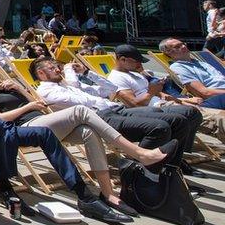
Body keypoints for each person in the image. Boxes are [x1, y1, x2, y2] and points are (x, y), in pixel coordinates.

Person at [0, 61, 171, 217]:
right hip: (25, 128)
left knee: (87, 131)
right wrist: (28, 107)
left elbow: (39, 103)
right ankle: (137, 153)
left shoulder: (11, 86)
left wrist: (19, 88)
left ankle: (107, 192)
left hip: (45, 121)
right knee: (80, 111)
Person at [34, 57, 199, 169]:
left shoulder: (70, 84)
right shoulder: (47, 91)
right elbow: (79, 102)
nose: (58, 69)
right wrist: (70, 73)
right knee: (160, 127)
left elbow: (111, 89)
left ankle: (171, 167)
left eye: (58, 67)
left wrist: (86, 72)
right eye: (52, 68)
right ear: (41, 74)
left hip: (117, 109)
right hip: (100, 119)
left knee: (180, 119)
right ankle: (137, 170)